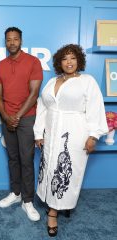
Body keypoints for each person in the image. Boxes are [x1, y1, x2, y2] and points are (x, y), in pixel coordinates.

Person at [33, 44, 108, 237]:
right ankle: (55, 203)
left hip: (74, 135)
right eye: (65, 58)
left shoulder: (87, 81)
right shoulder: (52, 82)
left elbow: (95, 108)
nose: (69, 62)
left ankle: (53, 212)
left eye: (73, 58)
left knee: (65, 171)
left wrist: (93, 135)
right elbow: (43, 107)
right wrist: (38, 133)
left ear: (79, 61)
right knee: (49, 168)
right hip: (51, 133)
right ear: (59, 62)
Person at [0, 27, 43, 221]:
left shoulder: (33, 61)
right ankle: (16, 194)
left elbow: (34, 93)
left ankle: (28, 201)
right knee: (13, 158)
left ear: (21, 41)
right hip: (7, 118)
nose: (12, 42)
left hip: (27, 117)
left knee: (26, 159)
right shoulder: (0, 66)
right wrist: (6, 116)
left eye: (15, 39)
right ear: (5, 42)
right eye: (8, 40)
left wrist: (17, 116)